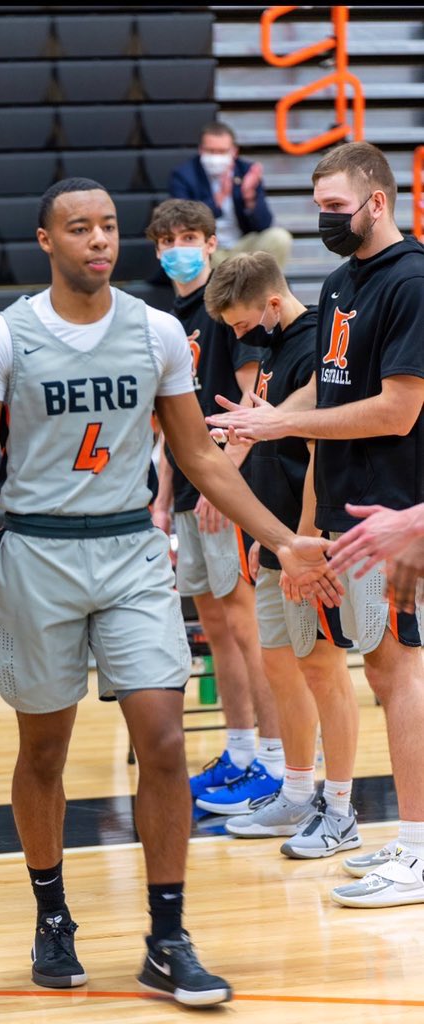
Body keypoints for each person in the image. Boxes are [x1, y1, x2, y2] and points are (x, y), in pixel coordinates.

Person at [0, 176, 342, 1006]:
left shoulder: (157, 331)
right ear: (47, 241)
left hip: (130, 549)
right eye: (79, 228)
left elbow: (198, 458)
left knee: (163, 743)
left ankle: (168, 936)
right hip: (39, 552)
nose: (99, 239)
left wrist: (282, 539)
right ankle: (52, 915)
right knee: (44, 752)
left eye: (108, 227)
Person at [205, 142, 424, 907]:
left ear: (377, 202)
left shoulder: (412, 281)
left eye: (337, 207)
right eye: (319, 206)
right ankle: (399, 838)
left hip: (398, 514)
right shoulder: (339, 282)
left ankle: (419, 848)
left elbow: (399, 412)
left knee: (400, 672)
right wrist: (304, 534)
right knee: (383, 669)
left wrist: (269, 429)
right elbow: (326, 414)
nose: (326, 219)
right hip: (340, 514)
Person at [203, 251, 361, 858]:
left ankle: (341, 809)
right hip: (273, 539)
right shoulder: (270, 349)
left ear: (272, 303)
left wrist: (300, 535)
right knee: (279, 664)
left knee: (322, 666)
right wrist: (260, 538)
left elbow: (321, 439)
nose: (239, 337)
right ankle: (296, 792)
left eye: (242, 324)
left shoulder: (320, 342)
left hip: (308, 536)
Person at [145, 199, 285, 816]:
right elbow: (173, 424)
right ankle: (240, 750)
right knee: (217, 628)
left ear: (210, 243)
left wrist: (221, 482)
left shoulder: (229, 309)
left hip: (228, 485)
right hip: (186, 491)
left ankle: (279, 764)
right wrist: (165, 492)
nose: (179, 246)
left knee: (247, 626)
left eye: (190, 237)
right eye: (167, 238)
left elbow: (252, 406)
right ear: (156, 249)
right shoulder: (166, 318)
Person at [169, 121, 292, 270]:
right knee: (185, 249)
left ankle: (265, 290)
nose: (216, 157)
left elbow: (264, 225)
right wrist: (219, 198)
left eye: (222, 151)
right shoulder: (184, 175)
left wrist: (250, 197)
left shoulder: (246, 171)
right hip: (209, 250)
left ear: (234, 151)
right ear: (201, 150)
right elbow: (184, 222)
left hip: (242, 246)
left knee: (279, 237)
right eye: (211, 151)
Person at [328, 502, 424, 614]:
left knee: (379, 627)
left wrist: (418, 524)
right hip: (339, 525)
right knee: (352, 630)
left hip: (388, 533)